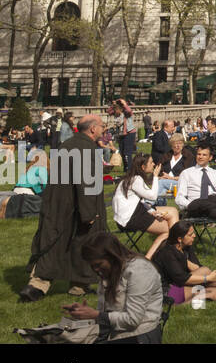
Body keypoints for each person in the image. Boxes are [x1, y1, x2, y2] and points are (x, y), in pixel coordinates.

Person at [19, 114, 109, 303]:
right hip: (77, 204)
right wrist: (89, 212)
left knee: (59, 241)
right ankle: (40, 285)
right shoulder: (86, 148)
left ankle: (77, 285)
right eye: (102, 126)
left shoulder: (67, 144)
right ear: (92, 128)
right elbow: (86, 183)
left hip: (58, 203)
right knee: (81, 243)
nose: (104, 129)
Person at [61, 232, 164, 344]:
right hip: (114, 333)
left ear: (112, 256)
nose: (95, 269)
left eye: (99, 264)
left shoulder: (139, 271)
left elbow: (132, 320)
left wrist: (97, 315)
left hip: (141, 335)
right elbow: (106, 314)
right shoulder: (109, 272)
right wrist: (85, 313)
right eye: (92, 266)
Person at [152, 221, 216, 305]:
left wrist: (186, 261)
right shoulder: (167, 253)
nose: (194, 236)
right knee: (205, 271)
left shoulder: (186, 247)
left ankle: (182, 306)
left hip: (181, 286)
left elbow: (197, 268)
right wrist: (207, 278)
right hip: (169, 290)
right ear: (180, 239)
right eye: (190, 234)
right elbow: (181, 279)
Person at [111, 153, 180, 260]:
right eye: (151, 162)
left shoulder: (131, 178)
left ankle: (174, 249)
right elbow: (152, 196)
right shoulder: (136, 179)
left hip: (131, 214)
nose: (153, 165)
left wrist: (152, 211)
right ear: (143, 167)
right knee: (169, 230)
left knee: (173, 211)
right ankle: (155, 256)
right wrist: (156, 177)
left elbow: (140, 201)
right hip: (130, 219)